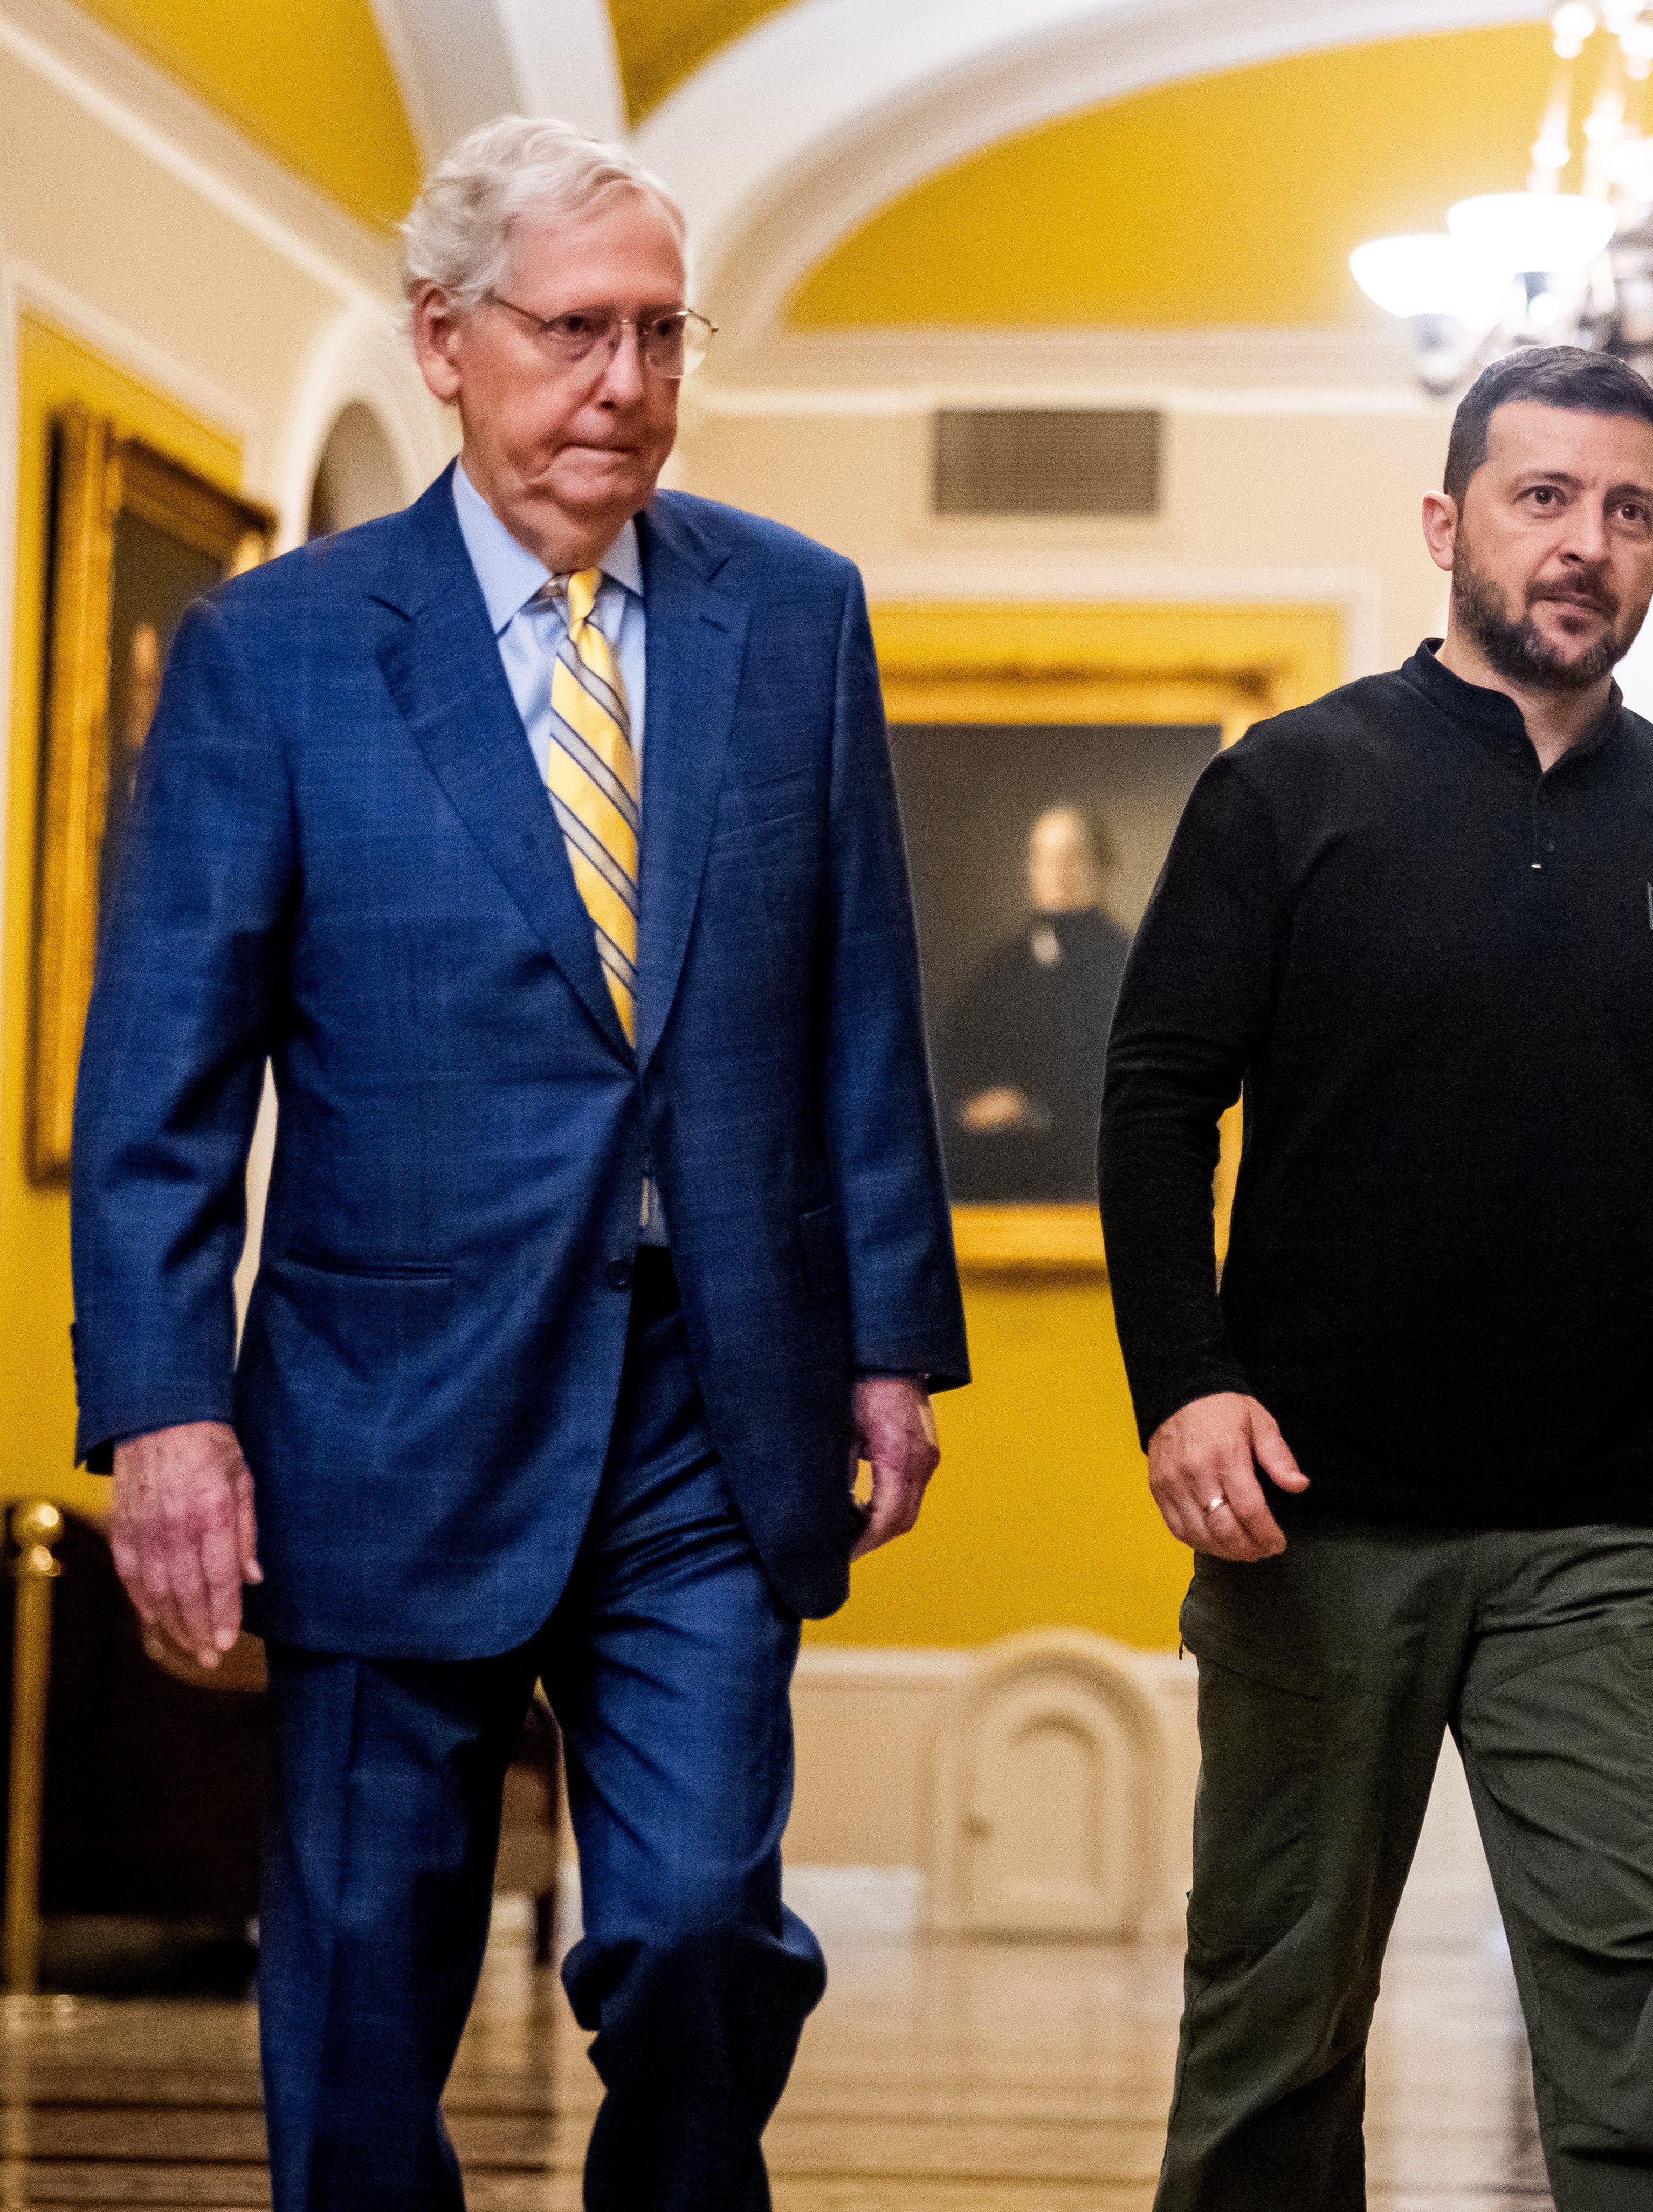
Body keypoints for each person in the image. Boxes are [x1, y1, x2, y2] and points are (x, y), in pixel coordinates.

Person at [67, 117, 967, 2212]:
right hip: (380, 1414)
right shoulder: (275, 654)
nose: (627, 386)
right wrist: (167, 1414)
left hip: (708, 1404)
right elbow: (162, 1090)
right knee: (365, 2000)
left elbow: (858, 1002)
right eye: (577, 332)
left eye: (665, 333)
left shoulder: (795, 617)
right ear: (444, 339)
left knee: (696, 1932)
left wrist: (889, 1340)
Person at [1098, 344, 1653, 2211]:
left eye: (1627, 510)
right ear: (1448, 523)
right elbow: (1156, 1097)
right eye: (1542, 498)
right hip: (1313, 1514)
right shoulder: (1290, 784)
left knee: (1652, 2014)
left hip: (1614, 1535)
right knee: (1272, 2027)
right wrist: (1184, 1383)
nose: (1585, 544)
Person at [936, 802, 1132, 1201]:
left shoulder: (1125, 962)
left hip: (1088, 1168)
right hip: (997, 1168)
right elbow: (954, 1054)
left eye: (1073, 856)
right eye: (1046, 858)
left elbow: (1123, 1085)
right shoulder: (1005, 965)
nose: (1058, 871)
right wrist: (967, 1109)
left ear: (1101, 866)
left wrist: (1032, 1107)